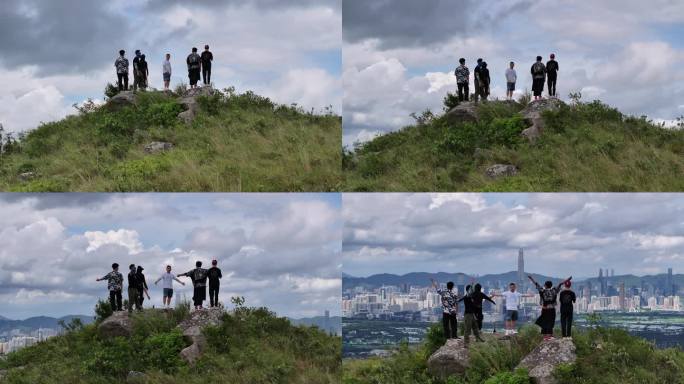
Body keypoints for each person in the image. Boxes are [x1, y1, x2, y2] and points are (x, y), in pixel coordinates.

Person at [528, 275, 572, 340]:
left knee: (544, 321)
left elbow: (536, 284)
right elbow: (560, 284)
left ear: (545, 285)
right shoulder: (554, 290)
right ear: (551, 285)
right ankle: (550, 336)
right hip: (551, 309)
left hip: (544, 309)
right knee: (551, 322)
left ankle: (545, 336)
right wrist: (568, 279)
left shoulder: (543, 290)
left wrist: (531, 278)